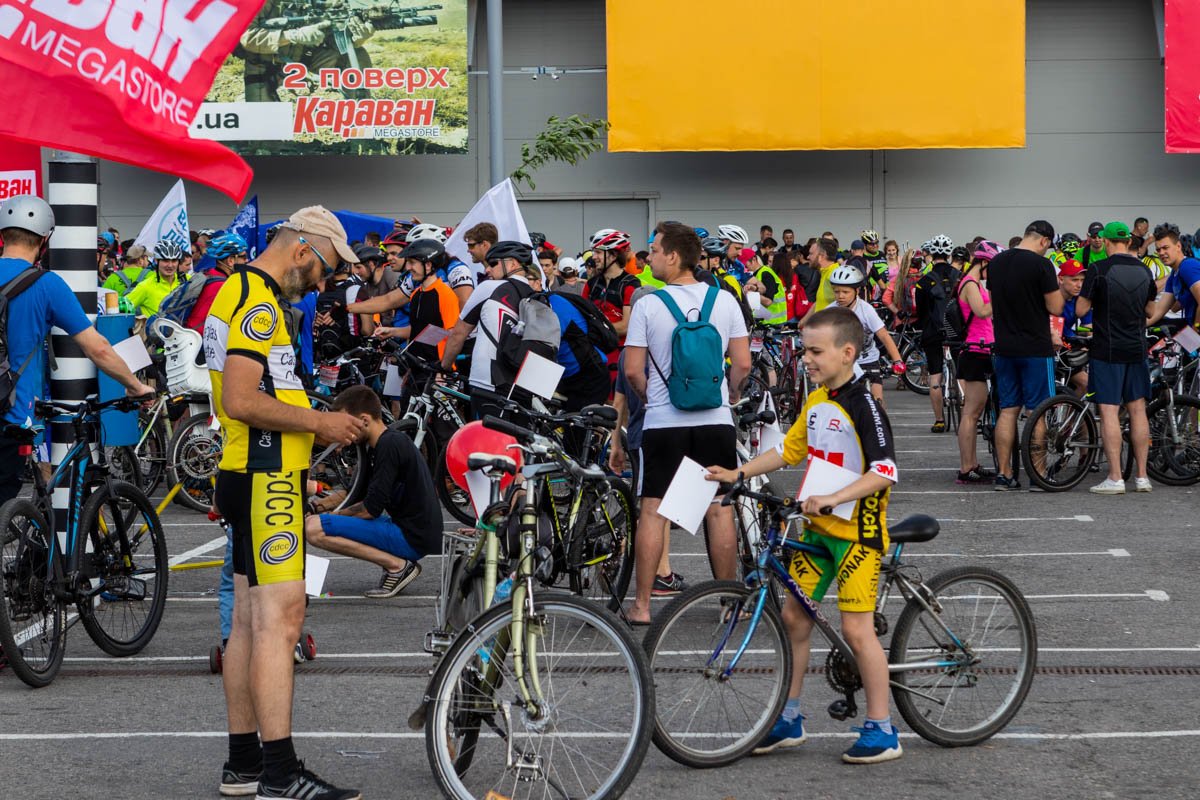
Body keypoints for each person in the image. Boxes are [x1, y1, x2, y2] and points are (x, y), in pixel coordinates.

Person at [205, 206, 364, 800]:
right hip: (266, 473)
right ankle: (279, 773)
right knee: (280, 621)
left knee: (249, 622)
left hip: (249, 470)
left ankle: (245, 763)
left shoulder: (239, 288)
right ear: (301, 249)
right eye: (323, 269)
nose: (322, 284)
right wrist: (319, 421)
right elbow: (244, 398)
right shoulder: (257, 299)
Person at [706, 306, 902, 764]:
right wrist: (739, 471)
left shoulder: (864, 403)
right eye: (804, 349)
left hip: (857, 533)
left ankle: (882, 727)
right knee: (795, 618)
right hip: (816, 529)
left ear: (848, 352)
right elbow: (790, 450)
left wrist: (836, 499)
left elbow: (886, 471)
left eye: (815, 351)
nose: (807, 359)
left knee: (857, 628)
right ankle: (789, 718)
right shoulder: (816, 401)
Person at [622, 221, 750, 626]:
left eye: (655, 250)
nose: (651, 257)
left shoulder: (648, 304)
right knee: (718, 508)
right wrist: (730, 395)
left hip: (663, 421)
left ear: (673, 256)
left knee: (653, 511)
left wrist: (650, 398)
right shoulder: (725, 301)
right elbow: (743, 363)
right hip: (715, 419)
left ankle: (642, 605)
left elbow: (632, 371)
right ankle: (729, 602)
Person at [0, 196, 155, 505]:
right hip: (12, 414)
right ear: (45, 240)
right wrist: (135, 386)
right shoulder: (46, 285)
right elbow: (97, 348)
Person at [305, 385, 441, 597]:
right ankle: (398, 564)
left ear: (365, 420)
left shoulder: (389, 445)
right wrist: (316, 507)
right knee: (315, 521)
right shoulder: (376, 445)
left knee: (314, 529)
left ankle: (397, 566)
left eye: (346, 424)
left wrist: (332, 517)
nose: (341, 431)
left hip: (411, 537)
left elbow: (370, 509)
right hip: (406, 529)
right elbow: (355, 494)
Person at [1074, 221, 1156, 494]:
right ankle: (1143, 477)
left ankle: (1115, 477)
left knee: (1109, 411)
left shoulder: (1099, 268)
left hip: (1107, 348)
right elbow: (1150, 309)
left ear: (1107, 242)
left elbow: (1080, 309)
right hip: (1137, 347)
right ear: (1129, 241)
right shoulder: (1145, 270)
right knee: (1137, 410)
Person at [986, 220, 1063, 491]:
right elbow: (1055, 307)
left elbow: (993, 301)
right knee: (1037, 411)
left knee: (1007, 410)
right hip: (1035, 347)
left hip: (1004, 345)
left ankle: (1004, 474)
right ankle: (1038, 474)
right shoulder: (1041, 266)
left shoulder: (995, 263)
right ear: (1043, 240)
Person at [440, 241, 538, 419]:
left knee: (489, 442)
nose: (487, 270)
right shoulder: (537, 296)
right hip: (524, 385)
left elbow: (459, 333)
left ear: (513, 264)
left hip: (489, 383)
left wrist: (444, 366)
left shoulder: (489, 288)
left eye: (493, 264)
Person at [240, 1, 375, 101]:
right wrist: (292, 35)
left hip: (305, 59)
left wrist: (356, 39)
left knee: (356, 54)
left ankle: (360, 125)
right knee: (266, 135)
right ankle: (243, 106)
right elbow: (247, 37)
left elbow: (332, 39)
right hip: (265, 67)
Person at [953, 241, 1000, 483]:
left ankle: (972, 463)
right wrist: (1002, 296)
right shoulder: (969, 283)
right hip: (974, 351)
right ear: (982, 262)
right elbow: (981, 312)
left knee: (975, 411)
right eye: (991, 266)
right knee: (971, 412)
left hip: (982, 349)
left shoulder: (974, 283)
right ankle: (965, 467)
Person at [827, 264, 905, 406]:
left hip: (867, 358)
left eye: (845, 292)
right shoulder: (830, 311)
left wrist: (897, 360)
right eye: (836, 292)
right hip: (842, 362)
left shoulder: (866, 310)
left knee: (877, 402)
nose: (840, 296)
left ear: (857, 291)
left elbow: (884, 336)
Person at [372, 239, 460, 363]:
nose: (408, 268)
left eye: (412, 263)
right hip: (414, 364)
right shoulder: (416, 294)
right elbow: (417, 330)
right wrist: (391, 332)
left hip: (435, 368)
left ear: (428, 265)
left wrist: (443, 369)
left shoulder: (445, 294)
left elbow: (453, 335)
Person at [912, 234, 959, 432]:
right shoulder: (960, 277)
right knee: (961, 374)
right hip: (956, 331)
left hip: (932, 331)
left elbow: (921, 312)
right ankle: (965, 417)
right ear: (949, 254)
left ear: (931, 254)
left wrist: (924, 325)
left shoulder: (923, 282)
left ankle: (939, 420)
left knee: (935, 375)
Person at [584, 230, 641, 380]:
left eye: (598, 252)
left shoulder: (630, 284)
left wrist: (595, 327)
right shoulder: (591, 284)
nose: (593, 257)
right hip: (594, 355)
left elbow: (626, 326)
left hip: (619, 357)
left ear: (614, 255)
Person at [184, 233, 248, 333]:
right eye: (243, 257)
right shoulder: (223, 286)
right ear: (230, 260)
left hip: (193, 337)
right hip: (201, 342)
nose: (247, 260)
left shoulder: (209, 273)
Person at [1147, 225, 1200, 329]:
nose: (1161, 253)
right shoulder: (1174, 275)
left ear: (1178, 246)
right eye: (1158, 250)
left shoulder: (1187, 266)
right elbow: (1158, 311)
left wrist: (1196, 327)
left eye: (1165, 248)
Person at [125, 240, 185, 317]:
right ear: (156, 260)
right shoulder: (145, 286)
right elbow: (122, 309)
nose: (170, 265)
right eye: (165, 260)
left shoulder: (187, 280)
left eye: (174, 261)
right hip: (154, 328)